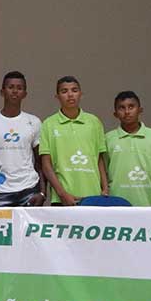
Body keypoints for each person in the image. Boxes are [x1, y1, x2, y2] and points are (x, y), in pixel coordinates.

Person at [0, 71, 45, 207]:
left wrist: (42, 193)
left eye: (19, 88)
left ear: (25, 93)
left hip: (29, 189)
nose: (15, 91)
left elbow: (40, 161)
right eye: (10, 87)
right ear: (2, 92)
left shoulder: (34, 122)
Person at [39, 76, 108, 205]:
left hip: (93, 195)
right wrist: (62, 194)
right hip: (62, 198)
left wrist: (105, 189)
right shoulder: (48, 124)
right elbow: (46, 165)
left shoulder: (94, 122)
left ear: (81, 94)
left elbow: (99, 159)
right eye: (64, 91)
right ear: (57, 97)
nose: (70, 95)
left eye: (74, 90)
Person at [105, 91, 151, 206]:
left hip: (149, 204)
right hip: (117, 204)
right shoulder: (107, 139)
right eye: (121, 108)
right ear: (115, 114)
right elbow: (103, 173)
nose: (127, 112)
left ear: (140, 110)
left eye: (131, 107)